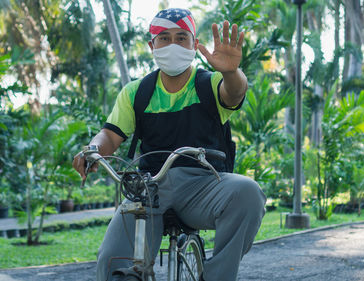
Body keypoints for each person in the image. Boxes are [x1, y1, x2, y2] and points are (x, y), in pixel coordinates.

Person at [72, 8, 266, 281]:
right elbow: (110, 135)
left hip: (205, 185)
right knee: (111, 261)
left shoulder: (208, 84)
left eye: (181, 37)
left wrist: (232, 72)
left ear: (194, 44)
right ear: (152, 45)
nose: (172, 45)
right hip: (148, 189)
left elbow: (233, 93)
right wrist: (92, 150)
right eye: (164, 38)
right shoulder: (137, 93)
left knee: (248, 192)